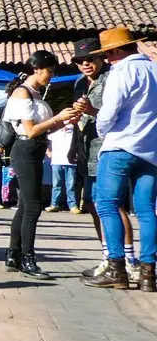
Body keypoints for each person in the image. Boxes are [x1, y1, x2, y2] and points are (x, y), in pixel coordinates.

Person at [82, 29, 157, 290]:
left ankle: (116, 268)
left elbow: (109, 112)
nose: (106, 58)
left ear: (115, 51)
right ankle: (148, 272)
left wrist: (103, 130)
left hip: (119, 146)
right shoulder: (154, 69)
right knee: (146, 209)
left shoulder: (121, 72)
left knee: (107, 204)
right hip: (150, 149)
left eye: (106, 53)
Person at [4, 51, 79, 280]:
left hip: (35, 150)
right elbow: (31, 130)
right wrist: (57, 118)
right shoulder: (22, 92)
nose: (52, 75)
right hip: (25, 149)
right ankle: (28, 257)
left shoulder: (37, 93)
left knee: (26, 206)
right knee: (33, 206)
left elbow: (44, 129)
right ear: (37, 69)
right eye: (49, 71)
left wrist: (65, 120)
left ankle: (13, 254)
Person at [72, 37, 137, 281]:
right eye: (80, 60)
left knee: (113, 205)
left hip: (109, 149)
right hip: (85, 151)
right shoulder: (79, 84)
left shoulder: (113, 78)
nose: (85, 64)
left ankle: (128, 260)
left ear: (102, 58)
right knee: (92, 204)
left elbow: (120, 118)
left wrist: (91, 112)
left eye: (90, 59)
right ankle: (109, 256)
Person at [46, 121, 79, 213]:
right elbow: (46, 140)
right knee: (56, 184)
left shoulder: (74, 130)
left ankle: (73, 205)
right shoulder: (55, 130)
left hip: (71, 161)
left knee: (71, 185)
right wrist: (48, 151)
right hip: (57, 160)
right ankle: (54, 204)